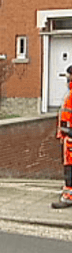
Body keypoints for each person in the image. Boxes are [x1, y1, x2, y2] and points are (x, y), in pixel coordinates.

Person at [53, 64, 72, 209]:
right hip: (67, 136)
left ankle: (68, 197)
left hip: (70, 139)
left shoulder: (71, 96)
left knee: (69, 169)